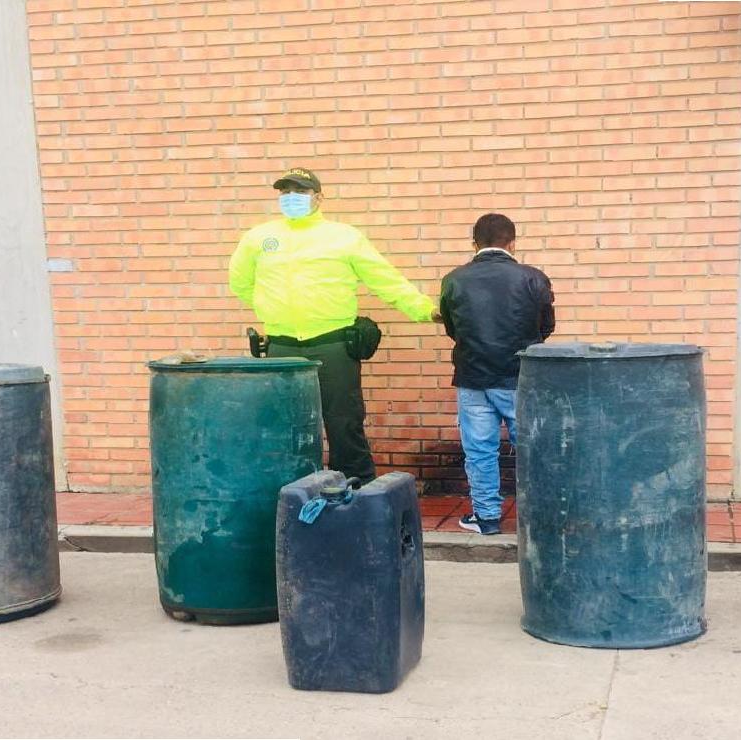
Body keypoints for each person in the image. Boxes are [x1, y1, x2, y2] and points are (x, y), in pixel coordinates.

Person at [229, 167, 439, 483]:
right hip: (282, 345)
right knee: (284, 425)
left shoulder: (343, 237)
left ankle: (358, 489)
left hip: (333, 344)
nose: (291, 198)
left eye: (299, 192)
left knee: (344, 423)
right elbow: (240, 283)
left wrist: (424, 310)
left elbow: (385, 280)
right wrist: (271, 309)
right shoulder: (259, 238)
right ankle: (290, 490)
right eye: (285, 192)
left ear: (318, 197)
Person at [439, 214, 554, 535]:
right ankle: (540, 521)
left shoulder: (454, 279)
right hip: (520, 377)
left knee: (479, 452)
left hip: (472, 377)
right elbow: (545, 327)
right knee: (532, 449)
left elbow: (453, 328)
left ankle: (487, 518)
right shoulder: (533, 278)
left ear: (473, 243)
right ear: (512, 243)